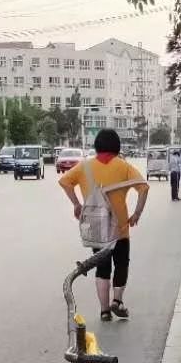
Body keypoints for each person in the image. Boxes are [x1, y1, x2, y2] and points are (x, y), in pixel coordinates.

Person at [59, 129, 149, 323]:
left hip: (97, 228)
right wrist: (137, 214)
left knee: (102, 267)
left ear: (97, 146)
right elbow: (144, 188)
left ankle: (104, 311)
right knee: (121, 263)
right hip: (121, 228)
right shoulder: (124, 167)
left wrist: (77, 204)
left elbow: (64, 182)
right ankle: (117, 300)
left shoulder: (85, 167)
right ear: (117, 147)